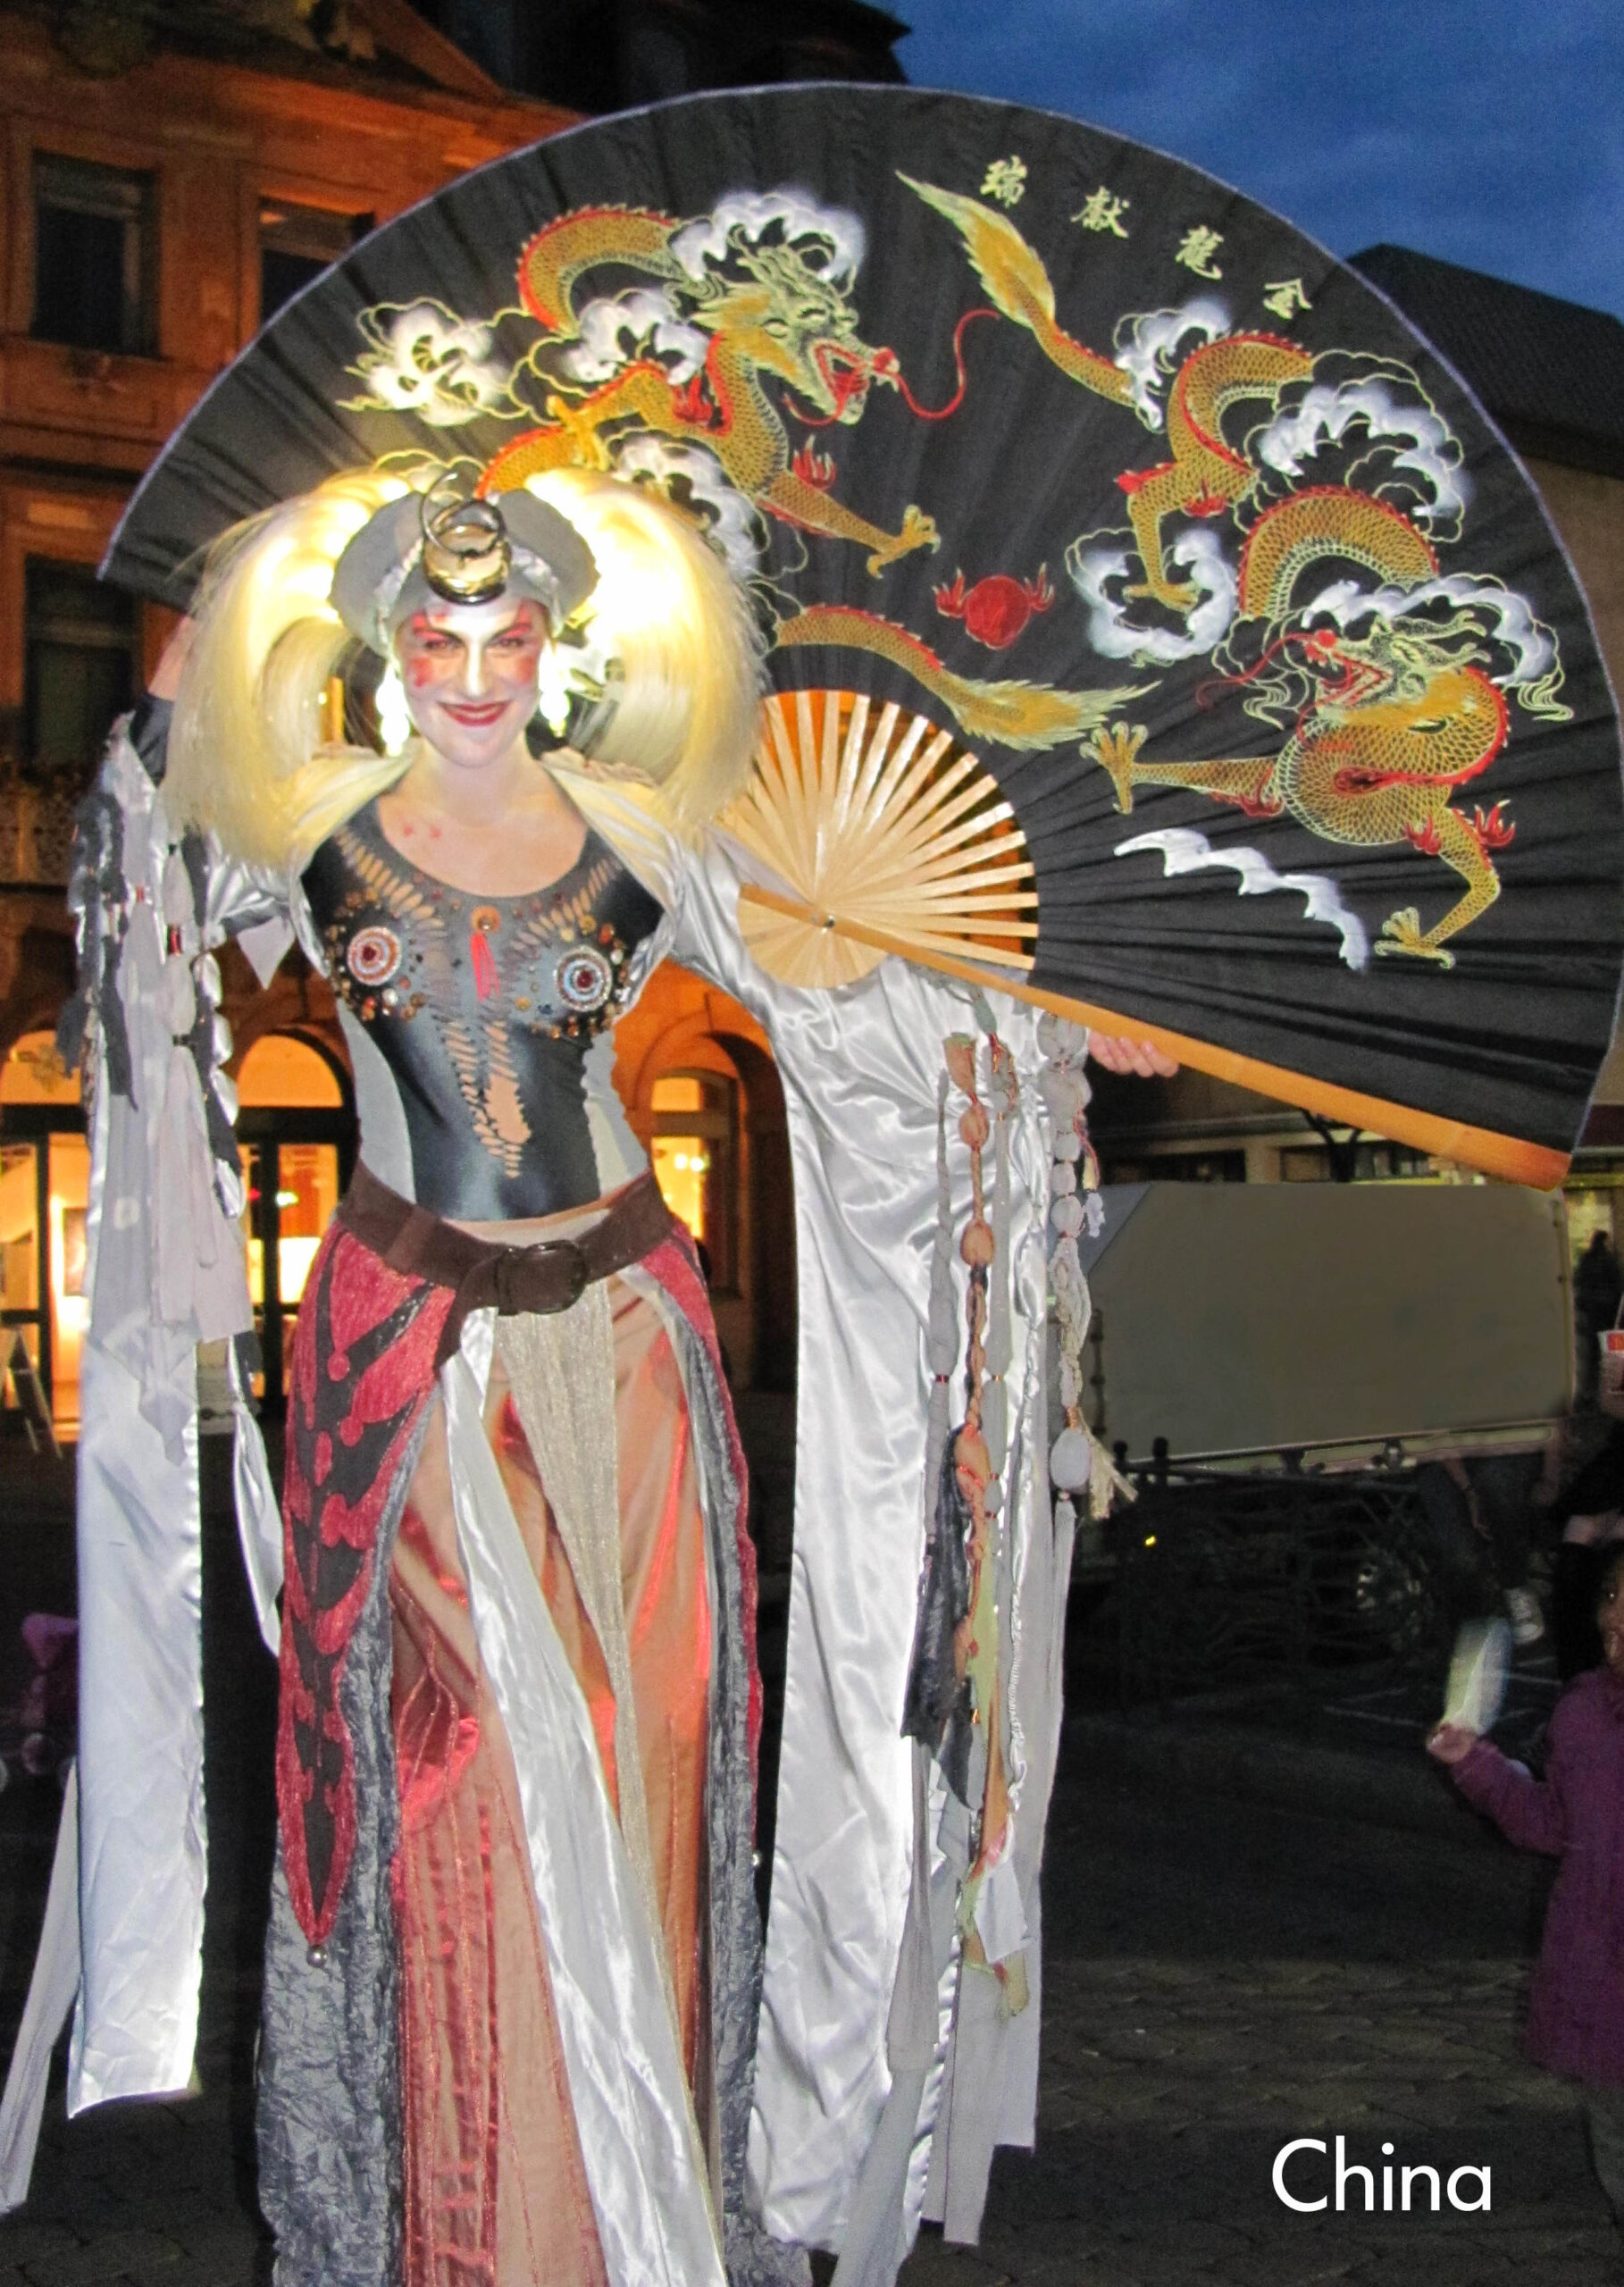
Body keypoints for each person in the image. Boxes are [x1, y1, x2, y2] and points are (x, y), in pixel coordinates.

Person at [45, 465, 1174, 2285]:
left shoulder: (647, 833)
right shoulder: (310, 822)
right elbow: (143, 904)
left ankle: (644, 2209)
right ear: (386, 648)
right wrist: (164, 718)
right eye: (437, 638)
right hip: (411, 1361)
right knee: (469, 1766)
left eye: (506, 637)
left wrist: (1042, 1008)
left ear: (558, 648)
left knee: (649, 1746)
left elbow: (861, 969)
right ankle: (480, 2220)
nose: (473, 672)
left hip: (633, 1346)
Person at [1429, 1545, 1624, 2239]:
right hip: (1603, 1984)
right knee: (1615, 2143)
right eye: (1612, 1599)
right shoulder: (1584, 1716)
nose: (1615, 1618)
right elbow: (1553, 1823)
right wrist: (1476, 1764)